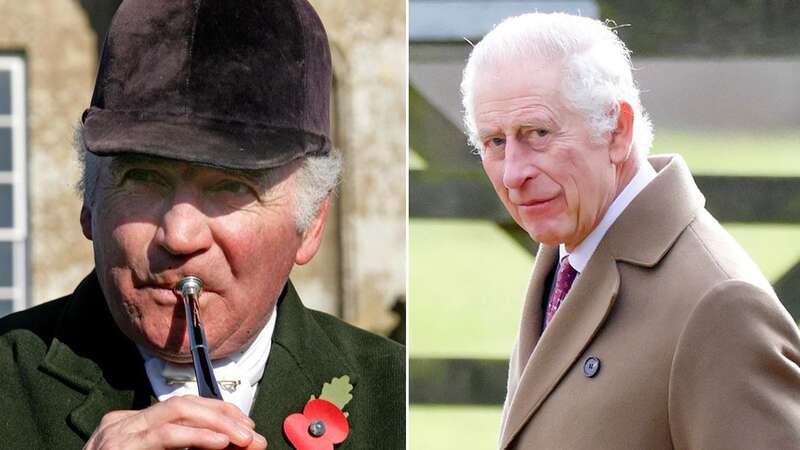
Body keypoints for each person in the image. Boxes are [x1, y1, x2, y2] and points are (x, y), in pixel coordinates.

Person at [0, 1, 404, 449]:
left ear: (311, 225)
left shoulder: (397, 398)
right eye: (143, 177)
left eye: (233, 186)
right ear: (89, 201)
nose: (179, 235)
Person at [460, 12, 800, 449]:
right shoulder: (567, 255)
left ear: (617, 131)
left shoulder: (722, 306)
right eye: (495, 142)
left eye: (538, 133)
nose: (512, 174)